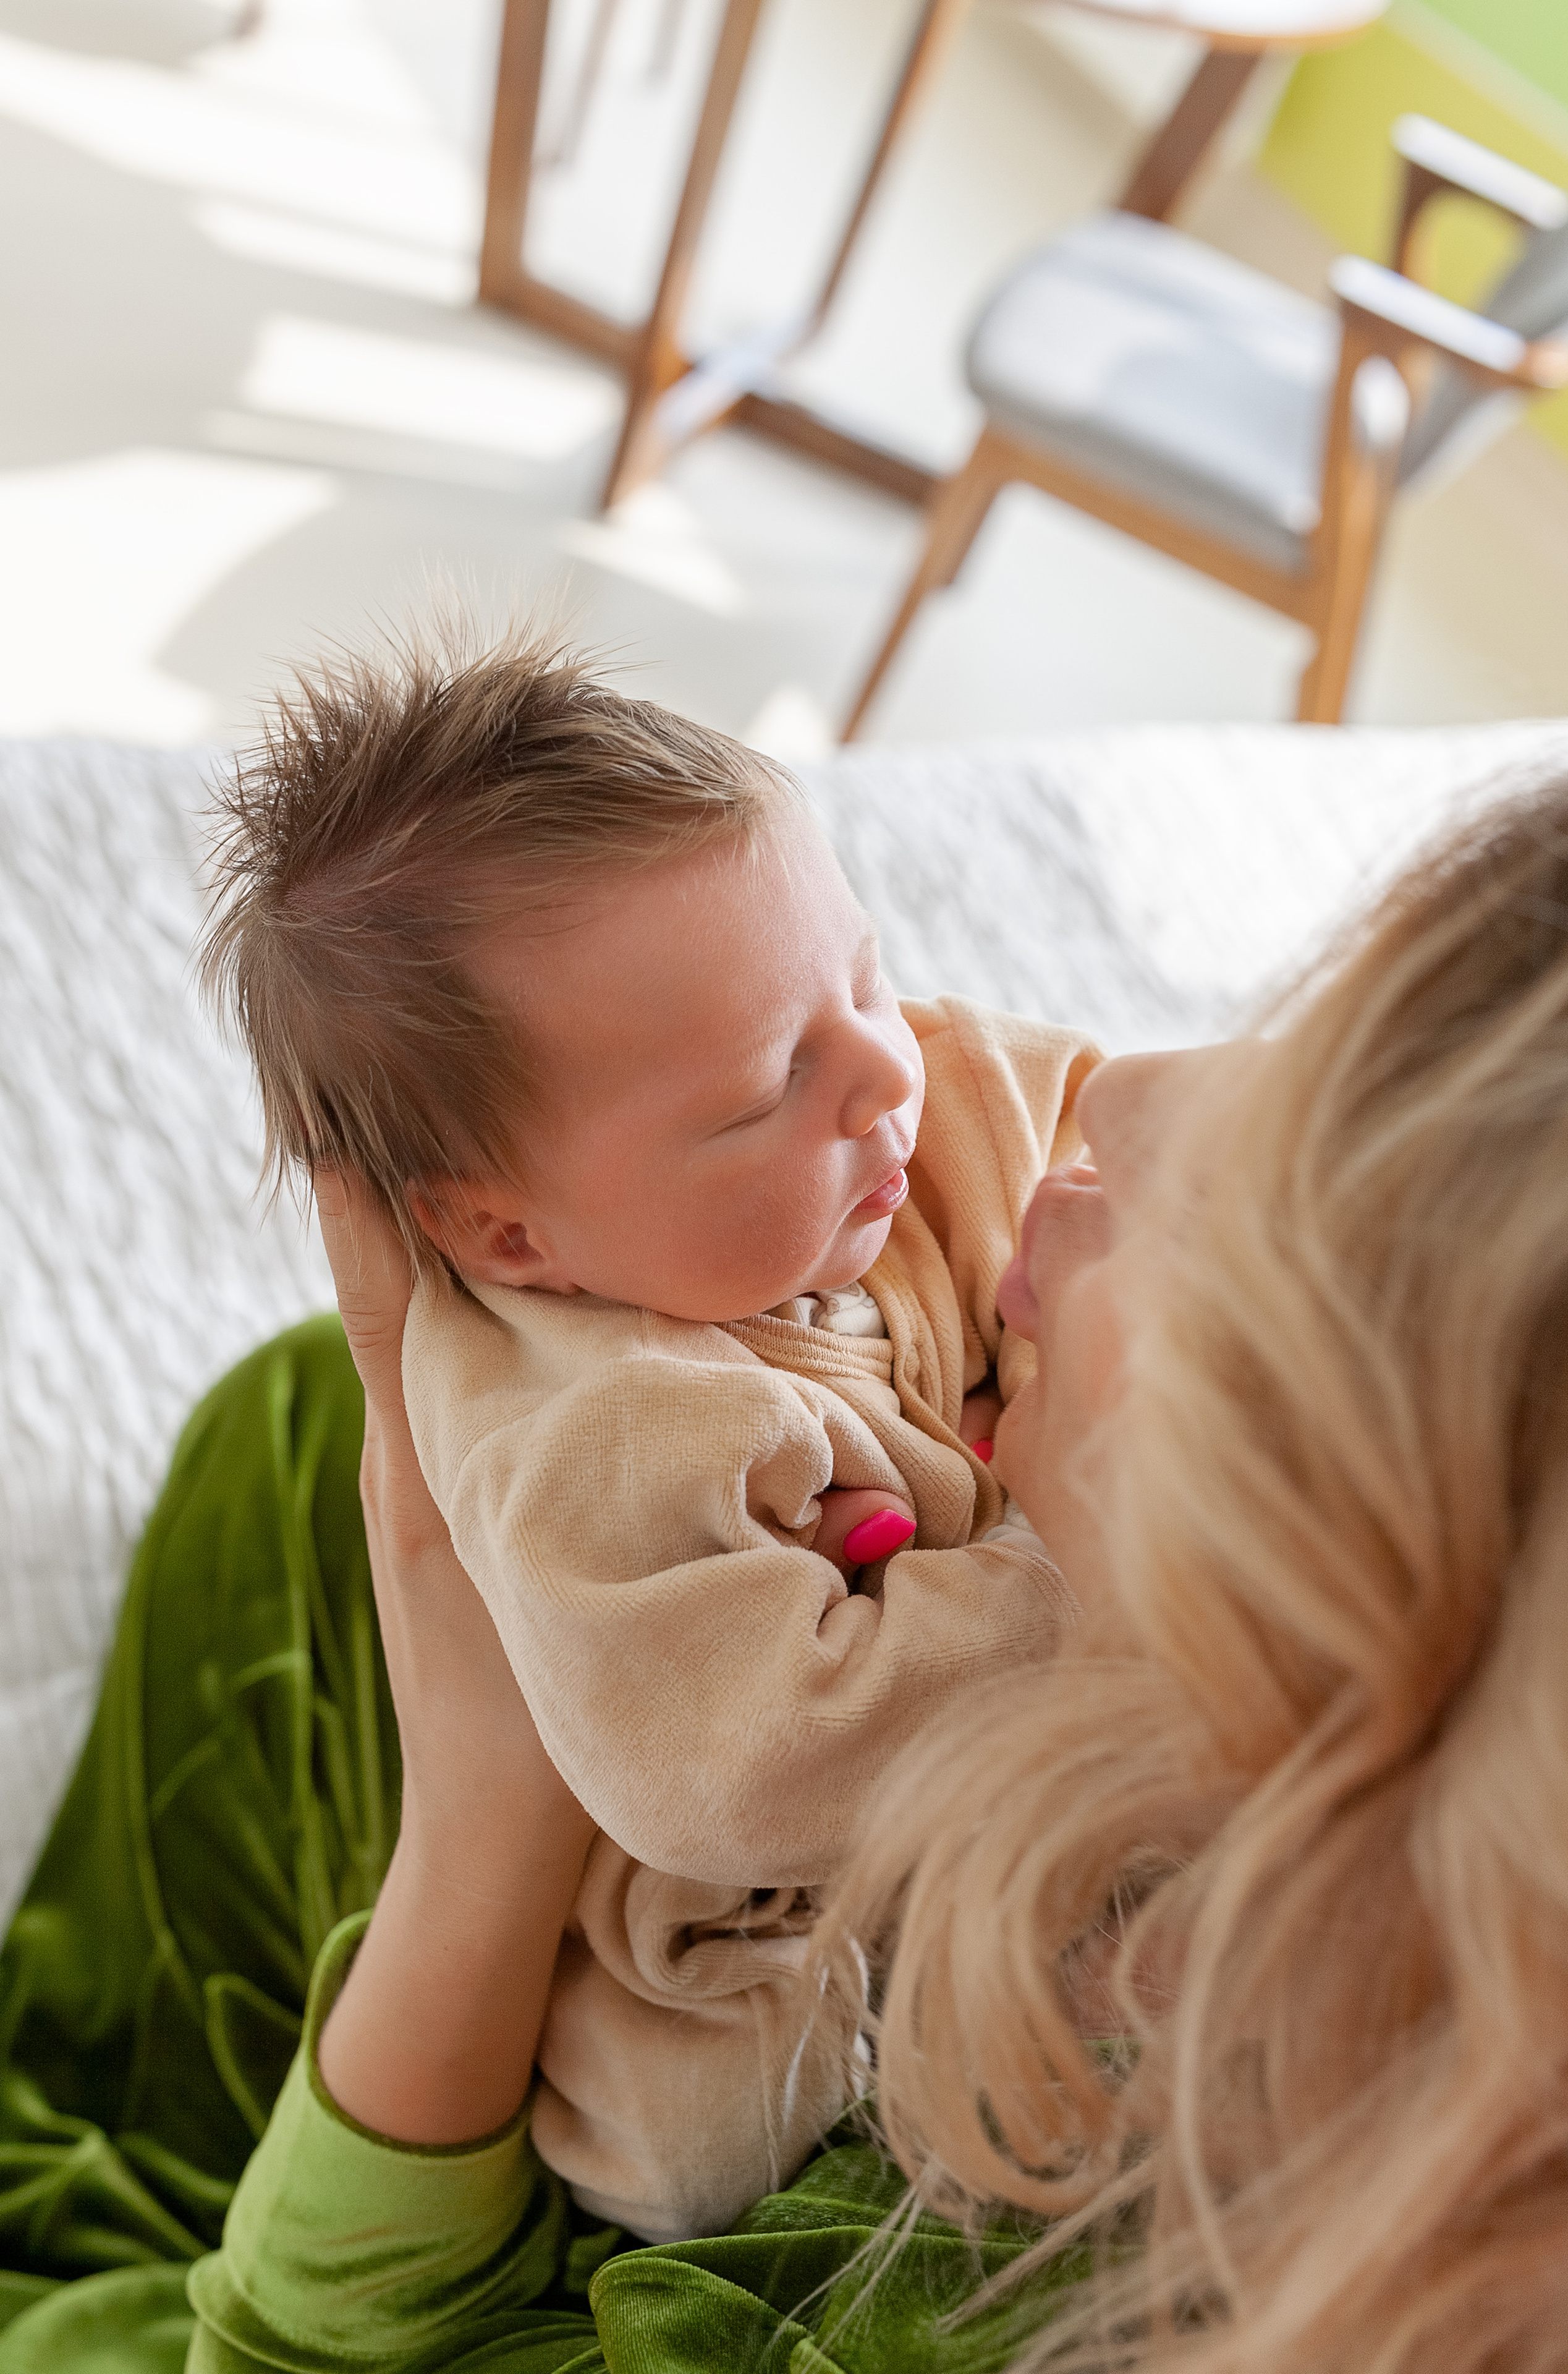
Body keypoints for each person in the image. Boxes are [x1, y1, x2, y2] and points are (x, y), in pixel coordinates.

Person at [193, 624, 1096, 2242]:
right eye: (765, 1089)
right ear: (513, 1235)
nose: (887, 1065)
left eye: (865, 971)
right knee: (709, 2145)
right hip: (725, 1941)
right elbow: (747, 1762)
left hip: (950, 1770)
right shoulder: (587, 1426)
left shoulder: (868, 1127)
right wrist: (1083, 1554)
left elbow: (1099, 1116)